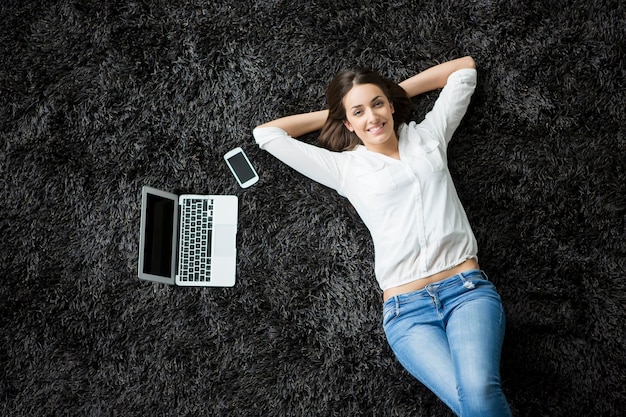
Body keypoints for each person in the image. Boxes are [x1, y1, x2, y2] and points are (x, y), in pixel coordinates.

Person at [253, 56, 512, 416]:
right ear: (347, 123)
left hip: (465, 291)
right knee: (474, 403)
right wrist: (336, 113)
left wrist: (389, 93)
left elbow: (464, 69)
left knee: (479, 393)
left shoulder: (428, 136)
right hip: (407, 313)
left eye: (377, 104)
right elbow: (267, 134)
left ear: (391, 105)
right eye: (357, 113)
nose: (372, 117)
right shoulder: (345, 168)